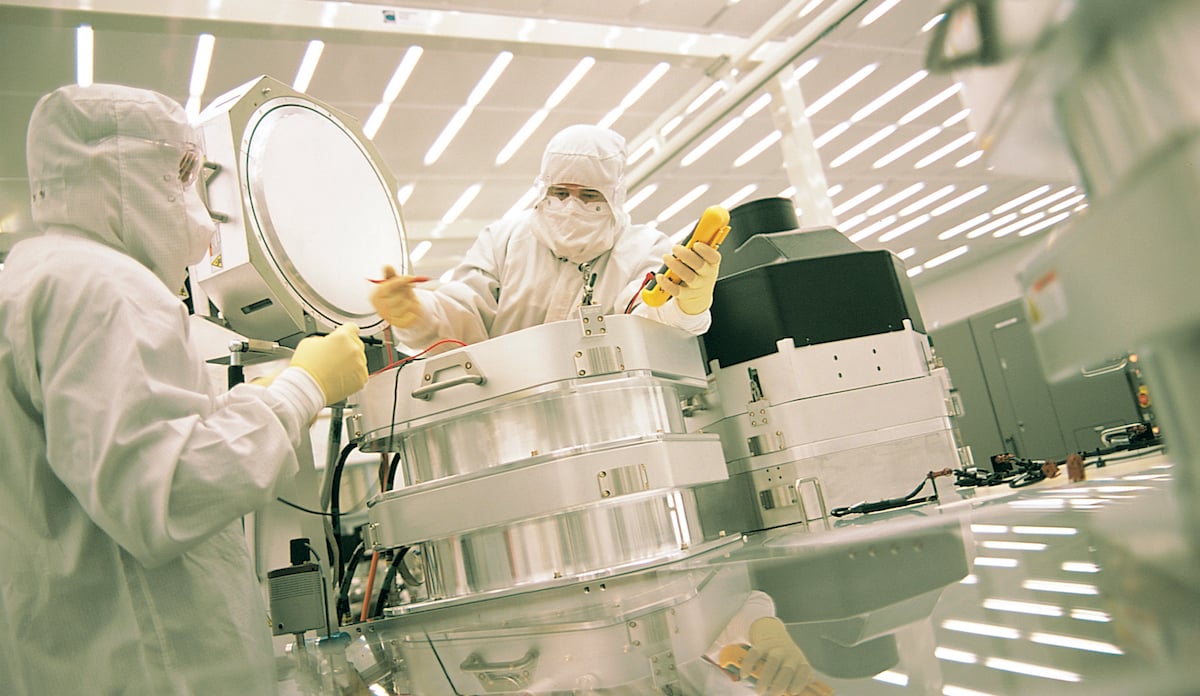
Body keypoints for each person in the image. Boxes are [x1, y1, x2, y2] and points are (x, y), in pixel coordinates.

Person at [0, 83, 368, 694]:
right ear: (120, 170)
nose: (196, 203)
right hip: (155, 663)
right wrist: (302, 387)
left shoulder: (34, 277)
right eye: (180, 173)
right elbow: (167, 490)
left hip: (77, 653)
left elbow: (115, 453)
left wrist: (250, 402)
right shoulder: (105, 287)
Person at [370, 124, 723, 349]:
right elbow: (464, 313)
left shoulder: (644, 249)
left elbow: (651, 322)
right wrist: (417, 312)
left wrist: (687, 304)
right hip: (508, 415)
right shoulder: (505, 240)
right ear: (542, 187)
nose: (570, 207)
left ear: (615, 195)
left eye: (589, 196)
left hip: (612, 417)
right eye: (559, 192)